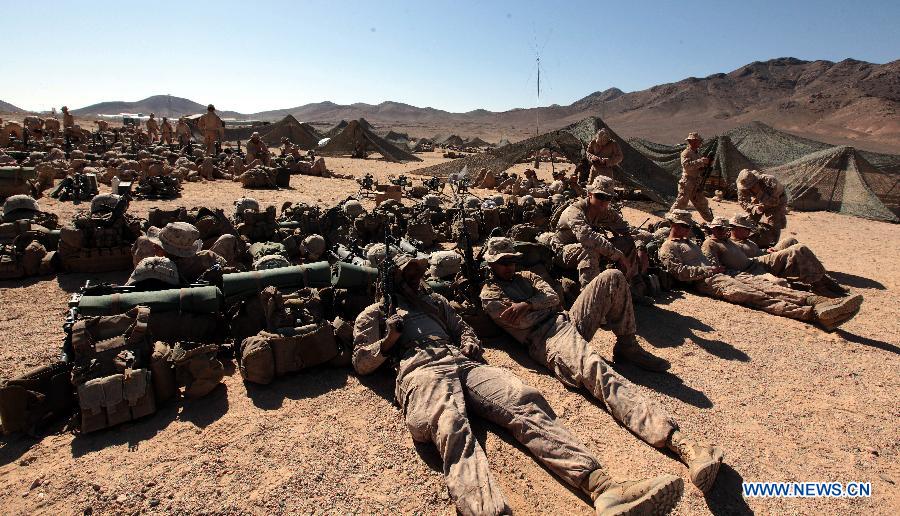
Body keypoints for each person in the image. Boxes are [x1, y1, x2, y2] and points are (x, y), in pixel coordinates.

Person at [353, 254, 684, 516]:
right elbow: (362, 363)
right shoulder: (374, 314)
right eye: (407, 274)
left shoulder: (436, 304)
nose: (415, 277)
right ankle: (486, 510)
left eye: (417, 272)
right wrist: (387, 340)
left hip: (463, 362)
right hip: (419, 370)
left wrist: (469, 344)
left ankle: (601, 487)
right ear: (392, 279)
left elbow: (464, 329)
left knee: (524, 400)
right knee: (451, 427)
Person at [480, 237, 724, 490]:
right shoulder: (490, 294)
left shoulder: (527, 277)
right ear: (491, 265)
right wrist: (538, 305)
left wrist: (528, 303)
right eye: (502, 262)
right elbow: (522, 322)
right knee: (599, 371)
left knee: (612, 276)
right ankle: (677, 440)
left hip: (566, 320)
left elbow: (552, 296)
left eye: (511, 260)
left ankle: (627, 345)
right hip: (547, 339)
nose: (509, 266)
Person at [659, 210, 862, 331]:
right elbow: (679, 272)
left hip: (722, 274)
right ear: (672, 224)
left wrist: (716, 269)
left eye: (688, 225)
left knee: (769, 288)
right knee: (755, 296)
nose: (686, 229)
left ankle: (819, 300)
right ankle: (812, 314)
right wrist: (707, 271)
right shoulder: (669, 247)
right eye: (682, 225)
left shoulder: (690, 242)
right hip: (707, 281)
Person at [716, 215, 849, 296]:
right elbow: (740, 260)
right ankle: (818, 284)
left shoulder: (745, 239)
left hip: (763, 255)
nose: (750, 232)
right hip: (756, 264)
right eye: (746, 229)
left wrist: (766, 251)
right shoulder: (729, 244)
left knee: (790, 241)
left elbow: (756, 249)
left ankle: (823, 278)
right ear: (735, 229)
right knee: (798, 249)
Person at [552, 176, 648, 287]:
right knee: (590, 250)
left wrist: (640, 245)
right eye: (600, 196)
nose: (603, 201)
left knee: (627, 242)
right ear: (590, 194)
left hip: (586, 248)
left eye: (608, 198)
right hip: (562, 251)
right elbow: (586, 237)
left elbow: (627, 230)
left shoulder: (606, 212)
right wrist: (618, 254)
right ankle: (591, 295)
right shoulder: (574, 211)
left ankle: (629, 285)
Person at [132, 221, 228, 284]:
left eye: (158, 245)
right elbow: (225, 266)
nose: (154, 245)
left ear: (164, 249)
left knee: (143, 240)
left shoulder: (152, 265)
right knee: (227, 238)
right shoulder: (206, 258)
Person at [736, 168, 788, 248]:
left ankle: (772, 247)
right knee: (749, 221)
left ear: (756, 181)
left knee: (773, 223)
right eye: (747, 188)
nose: (748, 189)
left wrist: (759, 194)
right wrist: (754, 208)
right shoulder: (742, 184)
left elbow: (774, 202)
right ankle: (749, 241)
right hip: (758, 201)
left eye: (751, 187)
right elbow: (742, 201)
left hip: (777, 200)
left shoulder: (770, 182)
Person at [671, 132, 713, 222]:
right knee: (681, 203)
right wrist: (701, 161)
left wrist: (705, 167)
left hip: (696, 182)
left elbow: (698, 167)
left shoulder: (697, 153)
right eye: (698, 141)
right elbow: (687, 166)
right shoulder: (686, 153)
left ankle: (711, 222)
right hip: (687, 182)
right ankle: (670, 221)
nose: (699, 143)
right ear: (692, 141)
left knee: (702, 203)